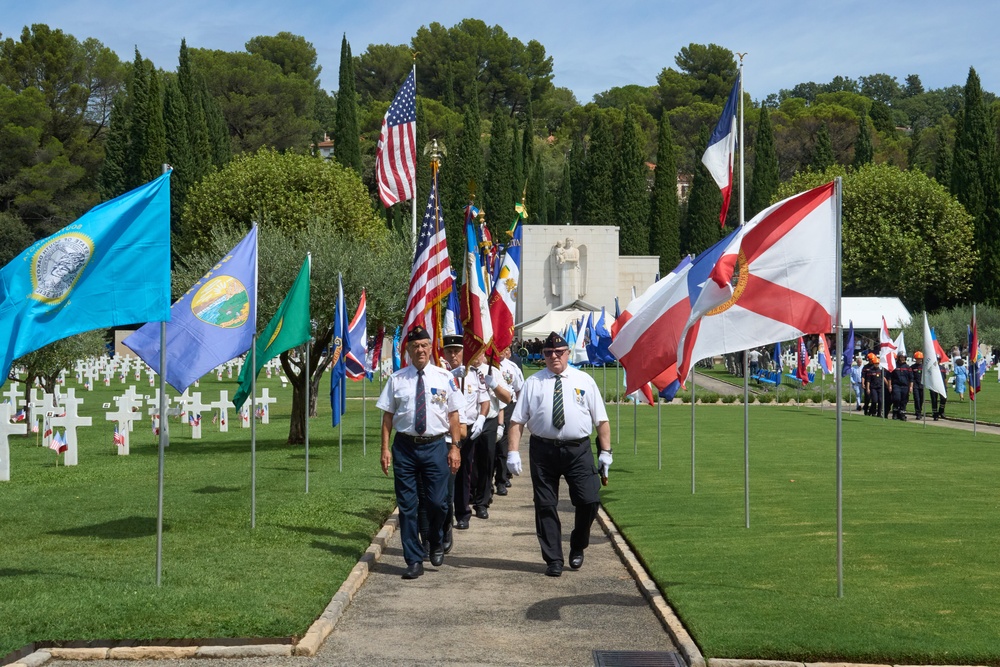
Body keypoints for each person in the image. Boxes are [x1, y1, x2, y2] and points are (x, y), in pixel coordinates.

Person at [505, 331, 612, 578]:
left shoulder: (584, 380)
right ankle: (553, 558)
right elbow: (517, 421)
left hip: (578, 449)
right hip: (543, 450)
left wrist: (606, 451)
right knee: (545, 504)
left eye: (559, 352)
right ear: (543, 355)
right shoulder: (534, 383)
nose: (554, 356)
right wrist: (513, 452)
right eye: (549, 353)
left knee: (588, 500)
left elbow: (601, 420)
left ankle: (578, 543)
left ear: (568, 354)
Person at [377, 326, 462, 580]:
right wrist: (384, 449)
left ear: (430, 347)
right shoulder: (397, 379)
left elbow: (454, 414)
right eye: (415, 346)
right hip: (405, 447)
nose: (420, 350)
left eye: (424, 345)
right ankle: (413, 559)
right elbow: (387, 417)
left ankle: (436, 540)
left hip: (435, 446)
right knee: (408, 506)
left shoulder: (444, 377)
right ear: (408, 350)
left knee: (438, 502)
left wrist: (455, 446)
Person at [440, 336, 488, 532]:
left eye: (457, 351)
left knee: (463, 473)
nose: (453, 355)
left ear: (464, 352)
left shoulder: (474, 375)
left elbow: (484, 401)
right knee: (443, 475)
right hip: (444, 432)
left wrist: (482, 419)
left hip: (466, 430)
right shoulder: (439, 375)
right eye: (449, 351)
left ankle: (462, 513)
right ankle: (442, 515)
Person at [494, 345, 525, 496]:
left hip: (508, 407)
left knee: (503, 445)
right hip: (491, 407)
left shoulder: (511, 367)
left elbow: (519, 389)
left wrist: (519, 412)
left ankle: (501, 479)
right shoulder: (486, 365)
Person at [889, 352, 912, 420]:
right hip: (896, 385)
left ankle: (902, 414)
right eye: (901, 357)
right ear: (898, 358)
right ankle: (895, 413)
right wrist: (890, 385)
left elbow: (911, 378)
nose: (902, 359)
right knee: (897, 398)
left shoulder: (908, 367)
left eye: (903, 357)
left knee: (904, 400)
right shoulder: (894, 366)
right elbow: (890, 377)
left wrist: (911, 387)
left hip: (905, 386)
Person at [910, 351, 925, 419]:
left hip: (922, 384)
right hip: (915, 385)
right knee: (917, 399)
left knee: (921, 399)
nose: (918, 360)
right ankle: (918, 413)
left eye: (920, 359)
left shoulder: (924, 367)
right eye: (917, 359)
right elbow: (911, 377)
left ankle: (920, 410)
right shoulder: (912, 367)